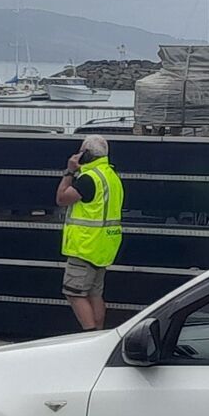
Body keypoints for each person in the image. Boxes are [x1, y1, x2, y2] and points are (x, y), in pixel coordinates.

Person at [56, 133, 125, 329]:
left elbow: (62, 198)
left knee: (74, 293)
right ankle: (99, 335)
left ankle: (89, 335)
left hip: (85, 245)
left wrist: (69, 172)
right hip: (103, 247)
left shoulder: (89, 179)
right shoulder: (111, 177)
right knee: (95, 294)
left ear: (85, 154)